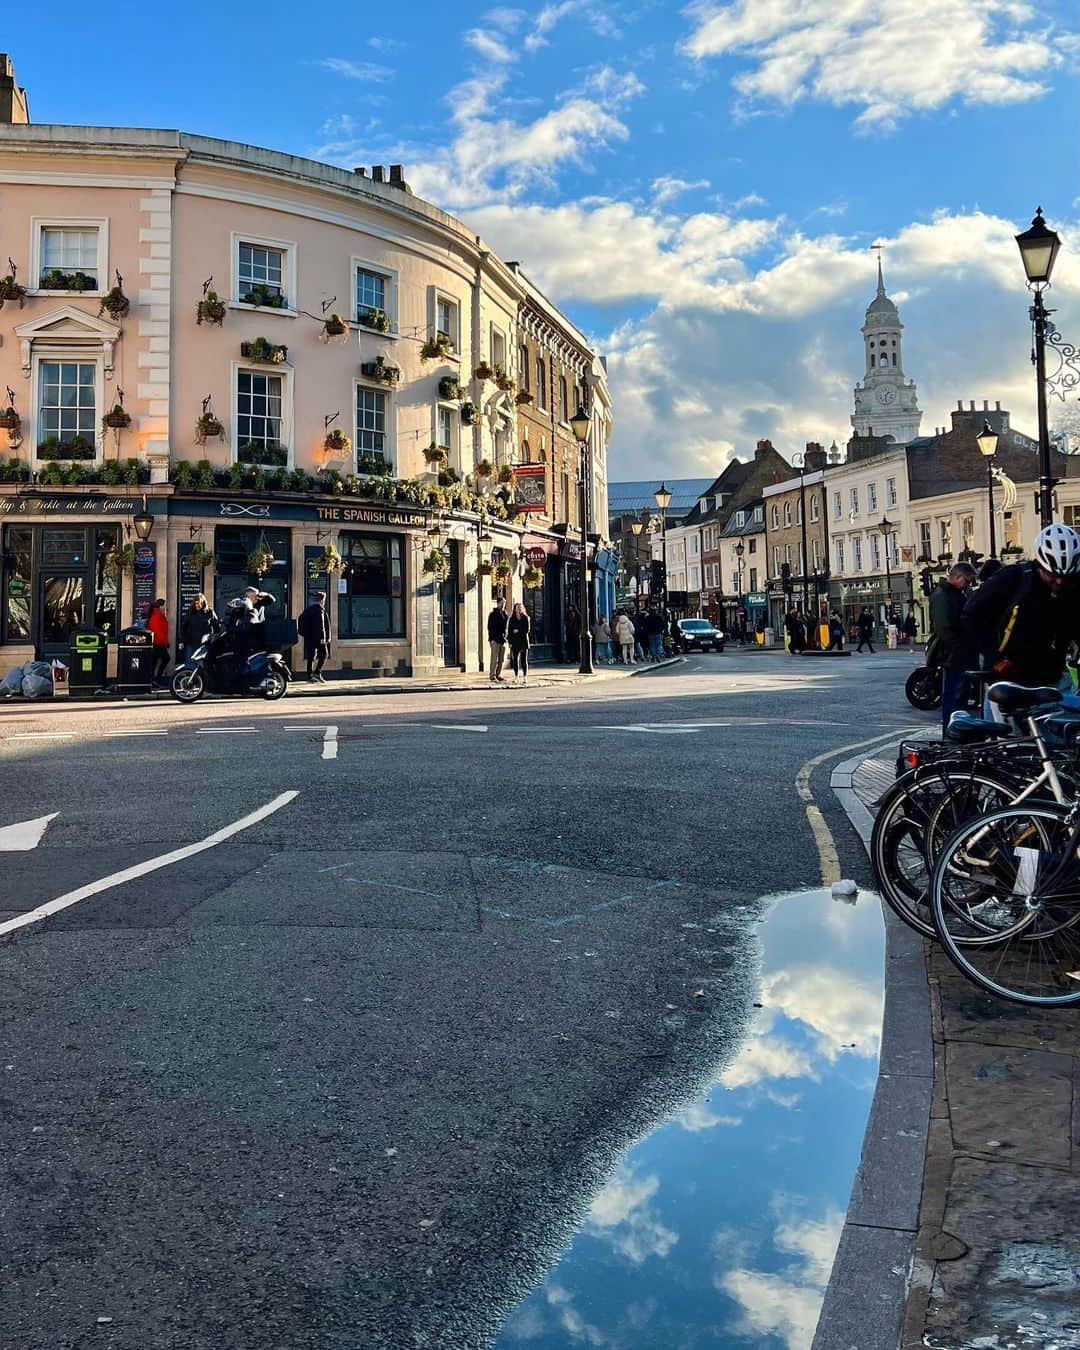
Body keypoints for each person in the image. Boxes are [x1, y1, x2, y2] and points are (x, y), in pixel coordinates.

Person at [964, 523, 1080, 690]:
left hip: (1052, 679)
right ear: (1040, 564)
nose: (1059, 581)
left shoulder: (1073, 587)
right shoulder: (1012, 579)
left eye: (1065, 576)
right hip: (1006, 679)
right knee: (999, 716)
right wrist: (993, 656)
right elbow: (971, 614)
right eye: (1052, 575)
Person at [928, 562, 977, 731]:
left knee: (959, 696)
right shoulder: (942, 595)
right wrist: (960, 648)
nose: (968, 584)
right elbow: (944, 628)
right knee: (953, 697)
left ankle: (957, 732)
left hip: (958, 652)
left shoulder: (954, 594)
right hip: (953, 654)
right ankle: (951, 734)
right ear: (957, 577)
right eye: (967, 580)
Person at [298, 590, 332, 683]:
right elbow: (321, 625)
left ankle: (309, 676)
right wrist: (323, 638)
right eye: (324, 599)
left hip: (309, 637)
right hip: (318, 638)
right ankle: (317, 672)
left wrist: (304, 634)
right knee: (324, 654)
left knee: (311, 656)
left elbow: (300, 620)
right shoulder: (319, 610)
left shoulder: (308, 609)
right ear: (322, 600)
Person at [180, 593, 217, 657]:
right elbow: (184, 628)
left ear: (203, 603)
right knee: (191, 664)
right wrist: (182, 641)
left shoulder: (209, 612)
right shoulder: (190, 612)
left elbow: (216, 626)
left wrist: (214, 639)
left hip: (205, 644)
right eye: (195, 603)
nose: (197, 605)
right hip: (192, 643)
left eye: (198, 603)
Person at [146, 597, 170, 685]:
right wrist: (165, 642)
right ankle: (156, 679)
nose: (165, 608)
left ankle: (154, 679)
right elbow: (158, 632)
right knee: (164, 659)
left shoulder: (159, 616)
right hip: (157, 644)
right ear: (160, 607)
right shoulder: (157, 617)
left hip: (159, 643)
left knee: (155, 662)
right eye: (164, 606)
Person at [487, 597, 509, 683]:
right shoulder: (493, 614)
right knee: (494, 659)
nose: (503, 605)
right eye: (502, 603)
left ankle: (498, 674)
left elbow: (506, 626)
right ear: (498, 603)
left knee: (501, 659)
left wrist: (506, 637)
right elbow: (489, 627)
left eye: (504, 603)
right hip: (495, 639)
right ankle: (492, 675)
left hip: (503, 639)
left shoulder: (505, 614)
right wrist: (491, 639)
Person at [508, 601, 531, 683]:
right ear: (514, 609)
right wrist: (510, 642)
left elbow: (527, 630)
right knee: (515, 660)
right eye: (517, 608)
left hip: (523, 640)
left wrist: (518, 630)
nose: (518, 609)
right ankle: (516, 677)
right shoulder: (512, 619)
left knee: (524, 660)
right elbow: (510, 631)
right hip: (515, 641)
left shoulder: (526, 618)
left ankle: (525, 677)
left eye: (520, 608)